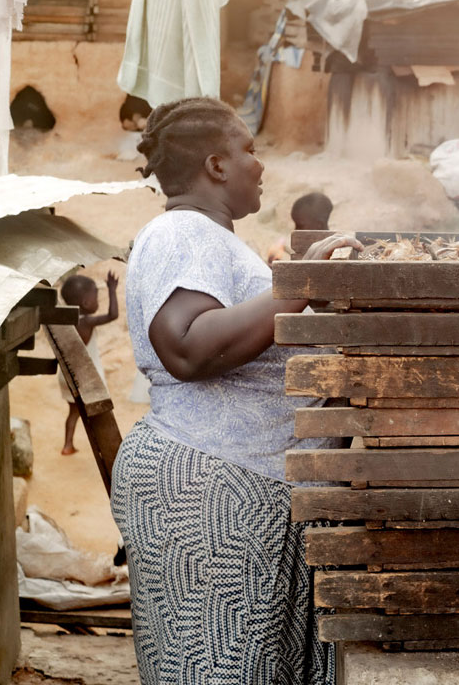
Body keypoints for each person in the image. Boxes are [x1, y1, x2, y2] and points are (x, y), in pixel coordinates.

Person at [111, 96, 360, 684]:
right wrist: (295, 290)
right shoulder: (181, 231)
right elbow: (187, 345)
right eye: (249, 149)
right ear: (216, 166)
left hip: (237, 494)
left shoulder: (216, 241)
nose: (261, 164)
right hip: (207, 497)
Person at [57, 272, 119, 456]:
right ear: (85, 303)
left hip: (67, 375)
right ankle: (106, 450)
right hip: (86, 379)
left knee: (73, 412)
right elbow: (113, 314)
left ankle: (68, 445)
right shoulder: (88, 322)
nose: (98, 302)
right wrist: (112, 290)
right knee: (98, 417)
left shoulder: (67, 321)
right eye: (96, 298)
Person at [267, 192, 334, 264]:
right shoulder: (305, 249)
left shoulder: (331, 252)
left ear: (319, 225)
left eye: (300, 225)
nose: (295, 230)